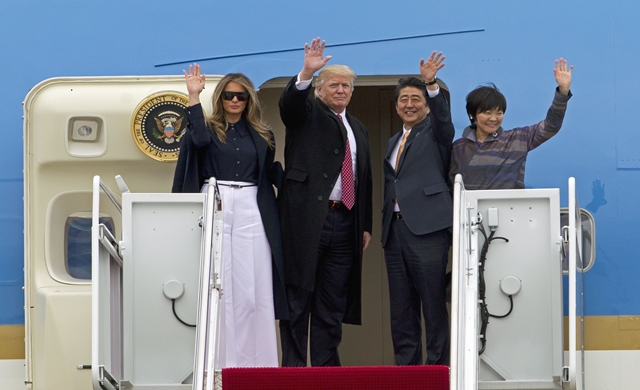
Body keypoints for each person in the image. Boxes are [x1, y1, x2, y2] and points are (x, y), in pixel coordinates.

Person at [171, 65, 287, 368]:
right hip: (217, 200)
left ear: (249, 101)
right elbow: (195, 141)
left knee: (255, 285)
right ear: (220, 98)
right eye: (228, 96)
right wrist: (194, 97)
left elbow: (267, 172)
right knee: (219, 283)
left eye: (241, 97)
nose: (234, 101)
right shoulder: (206, 128)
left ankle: (259, 366)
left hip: (251, 202)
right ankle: (221, 366)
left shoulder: (263, 134)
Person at [278, 37, 373, 367]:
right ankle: (292, 367)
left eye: (346, 86)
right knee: (298, 296)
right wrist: (306, 72)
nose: (341, 90)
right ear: (319, 90)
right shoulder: (306, 114)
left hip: (345, 223)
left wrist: (365, 225)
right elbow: (289, 106)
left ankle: (325, 371)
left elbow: (365, 180)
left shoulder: (358, 129)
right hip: (307, 221)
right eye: (334, 85)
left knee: (332, 302)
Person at [381, 52, 454, 366]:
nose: (409, 104)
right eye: (403, 100)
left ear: (425, 104)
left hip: (427, 230)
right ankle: (407, 371)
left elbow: (444, 120)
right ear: (396, 105)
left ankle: (438, 369)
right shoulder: (393, 140)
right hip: (395, 232)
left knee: (433, 305)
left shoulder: (435, 132)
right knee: (401, 309)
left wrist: (431, 83)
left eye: (416, 98)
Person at [450, 59, 574, 189]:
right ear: (472, 114)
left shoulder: (517, 139)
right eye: (487, 113)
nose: (493, 118)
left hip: (509, 208)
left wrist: (563, 92)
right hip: (468, 209)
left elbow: (551, 126)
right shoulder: (458, 147)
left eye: (499, 113)